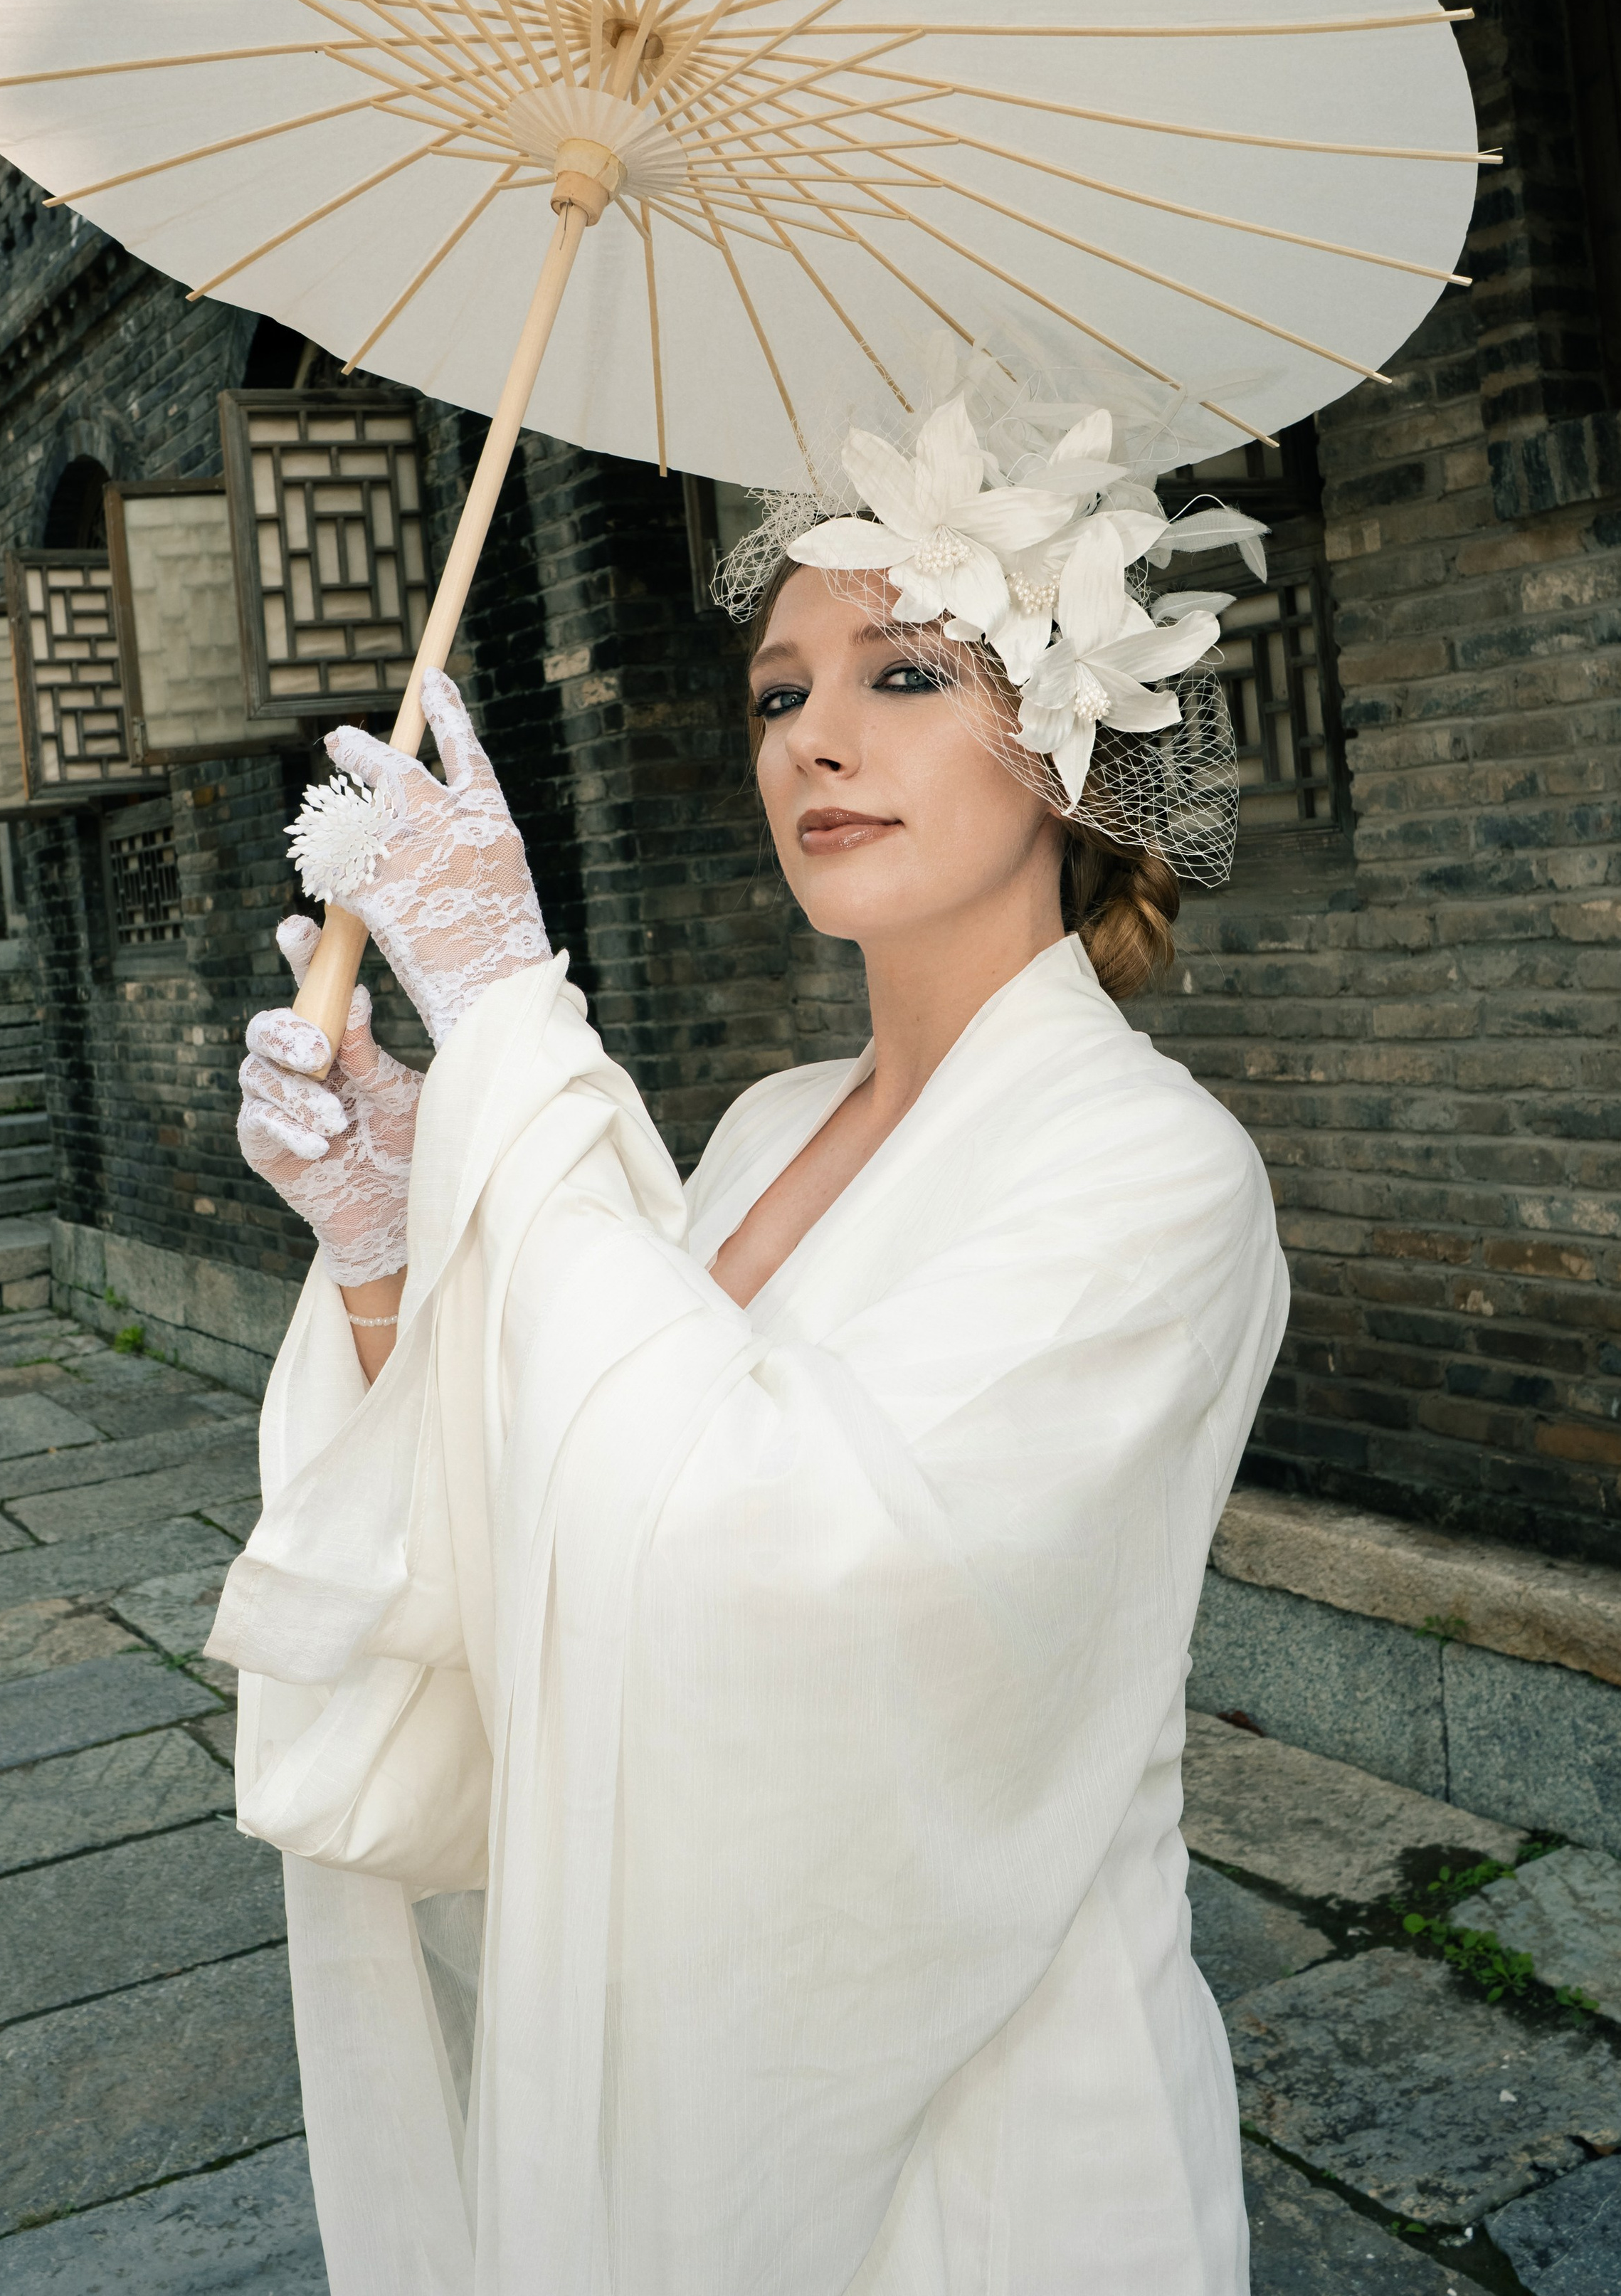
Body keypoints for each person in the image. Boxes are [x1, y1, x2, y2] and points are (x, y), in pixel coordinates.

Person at [213, 384, 1289, 2296]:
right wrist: (390, 1241)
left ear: (1060, 737)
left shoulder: (1156, 1177)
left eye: (902, 675)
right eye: (781, 694)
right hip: (673, 2015)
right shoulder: (773, 1124)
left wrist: (509, 1017)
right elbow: (569, 1496)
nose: (818, 743)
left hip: (997, 2132)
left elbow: (774, 1571)